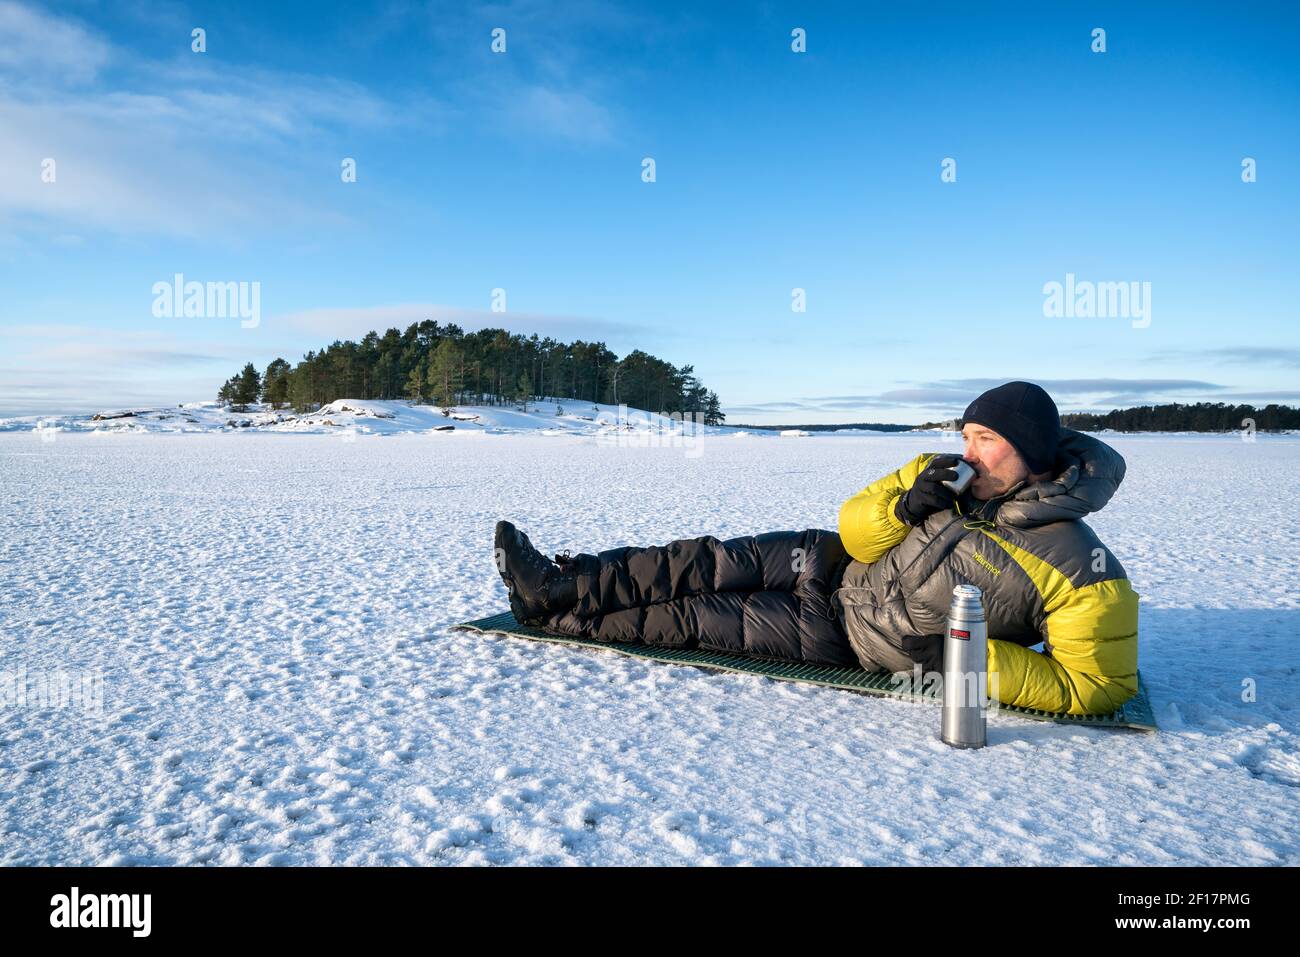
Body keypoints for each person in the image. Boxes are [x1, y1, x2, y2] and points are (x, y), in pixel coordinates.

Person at [492, 381, 1139, 716]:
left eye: (986, 439)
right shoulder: (937, 474)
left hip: (846, 634)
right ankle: (559, 582)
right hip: (829, 560)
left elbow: (1097, 685)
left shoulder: (1079, 565)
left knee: (691, 618)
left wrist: (972, 661)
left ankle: (554, 615)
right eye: (967, 433)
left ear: (1031, 450)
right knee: (694, 560)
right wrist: (905, 503)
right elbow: (855, 526)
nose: (968, 452)